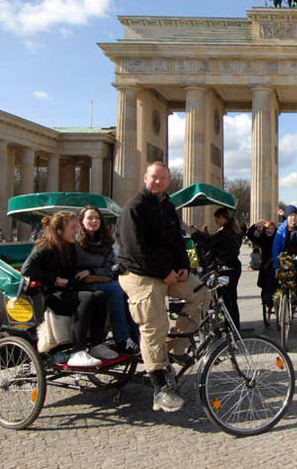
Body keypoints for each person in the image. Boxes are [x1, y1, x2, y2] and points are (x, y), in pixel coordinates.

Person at [116, 161, 212, 413]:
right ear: (145, 178)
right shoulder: (133, 208)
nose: (158, 181)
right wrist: (164, 271)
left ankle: (172, 351)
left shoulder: (168, 206)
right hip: (138, 274)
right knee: (154, 324)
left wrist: (183, 267)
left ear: (168, 180)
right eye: (154, 177)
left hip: (167, 273)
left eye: (162, 178)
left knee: (202, 293)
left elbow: (178, 242)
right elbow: (136, 249)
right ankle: (160, 389)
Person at [22, 212, 113, 368]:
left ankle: (97, 344)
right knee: (87, 298)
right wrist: (54, 279)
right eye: (72, 228)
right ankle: (78, 351)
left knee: (100, 295)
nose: (76, 231)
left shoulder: (69, 247)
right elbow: (26, 270)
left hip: (66, 291)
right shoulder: (44, 246)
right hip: (49, 294)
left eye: (77, 227)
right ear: (59, 230)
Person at [75, 206, 139, 354]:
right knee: (116, 289)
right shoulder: (75, 243)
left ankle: (136, 337)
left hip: (103, 280)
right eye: (90, 218)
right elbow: (77, 269)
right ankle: (122, 339)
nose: (94, 221)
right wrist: (90, 273)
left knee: (127, 289)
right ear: (81, 221)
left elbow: (110, 268)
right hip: (83, 285)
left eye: (97, 218)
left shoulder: (106, 242)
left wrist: (91, 271)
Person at [190, 207, 244, 329]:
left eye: (216, 219)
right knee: (230, 298)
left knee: (227, 298)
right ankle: (233, 325)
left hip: (227, 269)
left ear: (222, 218)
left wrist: (196, 234)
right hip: (234, 267)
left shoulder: (226, 232)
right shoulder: (232, 230)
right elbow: (214, 240)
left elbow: (211, 243)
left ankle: (231, 326)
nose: (216, 222)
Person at [247, 220, 278, 309]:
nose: (270, 230)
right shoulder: (262, 238)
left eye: (272, 228)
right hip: (265, 265)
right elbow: (250, 235)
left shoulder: (277, 237)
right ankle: (266, 300)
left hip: (276, 263)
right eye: (268, 228)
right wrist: (255, 226)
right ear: (265, 229)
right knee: (266, 283)